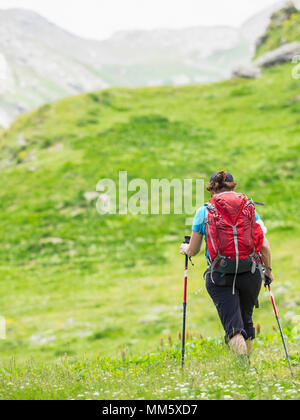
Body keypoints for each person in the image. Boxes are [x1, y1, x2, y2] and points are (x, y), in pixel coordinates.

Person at [180, 170, 273, 360]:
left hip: (220, 275)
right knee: (246, 321)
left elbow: (194, 250)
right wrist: (268, 271)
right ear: (233, 186)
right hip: (251, 272)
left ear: (211, 189)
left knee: (233, 326)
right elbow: (263, 244)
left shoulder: (204, 211)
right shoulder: (249, 208)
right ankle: (246, 369)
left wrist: (185, 248)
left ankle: (243, 369)